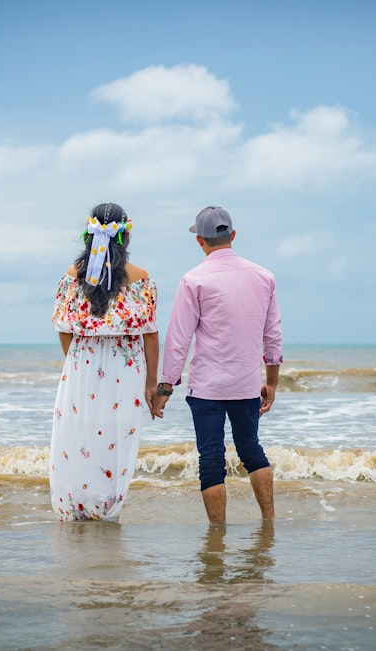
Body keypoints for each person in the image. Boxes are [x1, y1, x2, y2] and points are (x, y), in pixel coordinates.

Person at [152, 206, 283, 523]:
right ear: (233, 235)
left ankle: (218, 535)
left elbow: (179, 339)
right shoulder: (264, 277)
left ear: (200, 241)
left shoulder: (194, 280)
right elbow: (273, 334)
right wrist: (273, 381)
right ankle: (269, 521)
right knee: (251, 450)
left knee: (211, 458)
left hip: (208, 387)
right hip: (247, 384)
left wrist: (165, 387)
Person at [50, 202, 159, 521]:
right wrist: (152, 383)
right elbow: (150, 336)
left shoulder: (73, 275)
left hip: (82, 362)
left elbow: (63, 328)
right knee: (116, 436)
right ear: (124, 235)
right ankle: (108, 509)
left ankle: (76, 508)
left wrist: (76, 361)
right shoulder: (140, 277)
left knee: (78, 434)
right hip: (125, 368)